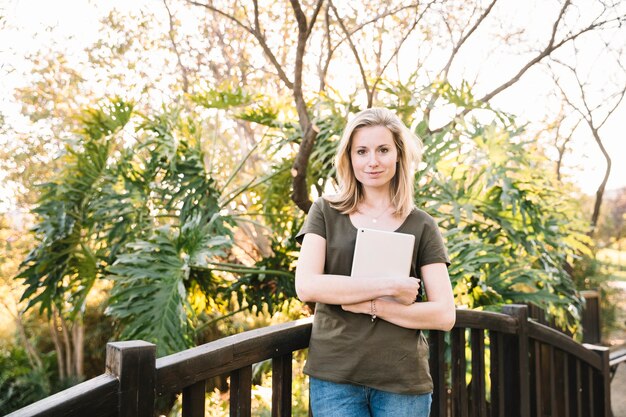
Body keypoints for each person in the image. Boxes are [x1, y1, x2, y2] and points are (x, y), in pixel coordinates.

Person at [295, 107, 456, 417]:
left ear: (398, 155)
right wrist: (389, 285)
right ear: (349, 158)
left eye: (383, 150)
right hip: (335, 378)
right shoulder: (325, 211)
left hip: (403, 381)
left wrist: (374, 307)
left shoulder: (422, 224)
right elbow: (307, 285)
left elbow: (444, 314)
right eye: (362, 151)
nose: (372, 161)